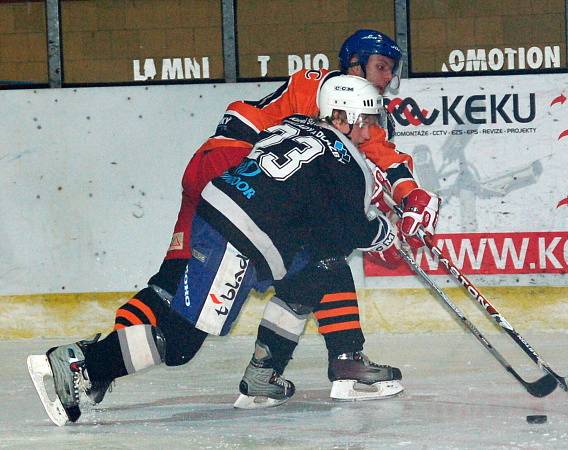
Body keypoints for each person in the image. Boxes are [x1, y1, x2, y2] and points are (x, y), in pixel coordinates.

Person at [27, 75, 427, 426]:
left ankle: (263, 377)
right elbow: (348, 228)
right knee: (180, 343)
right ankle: (82, 363)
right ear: (348, 117)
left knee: (322, 265)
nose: (370, 130)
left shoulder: (294, 125)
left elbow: (311, 210)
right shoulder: (348, 162)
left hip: (225, 214)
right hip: (238, 236)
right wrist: (386, 233)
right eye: (368, 120)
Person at [112, 29, 415, 404]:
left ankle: (103, 351)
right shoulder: (335, 89)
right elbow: (373, 155)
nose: (387, 78)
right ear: (354, 65)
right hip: (237, 168)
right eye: (381, 67)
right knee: (323, 256)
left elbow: (364, 156)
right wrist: (408, 196)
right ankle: (344, 362)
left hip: (216, 175)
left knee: (176, 280)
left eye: (391, 70)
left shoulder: (331, 102)